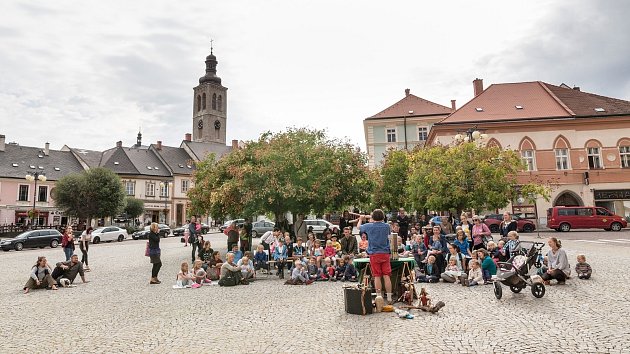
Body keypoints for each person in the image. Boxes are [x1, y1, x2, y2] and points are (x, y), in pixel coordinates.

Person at [358, 209, 394, 305]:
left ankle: (379, 298)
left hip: (374, 254)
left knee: (377, 276)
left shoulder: (369, 226)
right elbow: (379, 223)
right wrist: (372, 217)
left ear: (373, 217)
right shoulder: (387, 226)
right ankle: (389, 298)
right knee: (386, 275)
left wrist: (361, 218)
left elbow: (358, 227)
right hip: (385, 253)